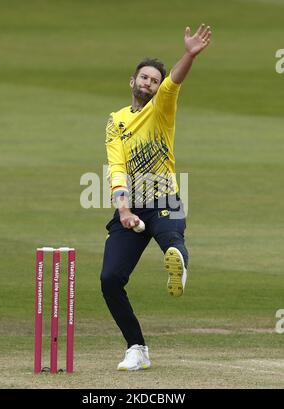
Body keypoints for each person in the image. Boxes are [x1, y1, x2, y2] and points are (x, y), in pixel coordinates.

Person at [100, 24, 212, 371]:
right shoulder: (115, 121)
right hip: (132, 207)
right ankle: (137, 348)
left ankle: (178, 264)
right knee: (110, 279)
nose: (148, 83)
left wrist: (190, 54)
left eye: (153, 80)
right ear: (132, 82)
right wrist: (123, 210)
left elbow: (174, 81)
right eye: (143, 78)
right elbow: (116, 166)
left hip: (165, 199)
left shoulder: (162, 106)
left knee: (171, 240)